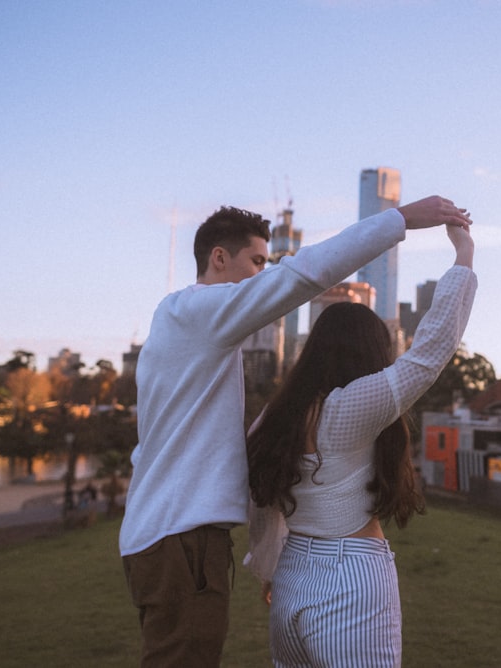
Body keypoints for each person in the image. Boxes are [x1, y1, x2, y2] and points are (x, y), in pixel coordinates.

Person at [119, 196, 471, 667]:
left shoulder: (204, 346)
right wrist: (405, 221)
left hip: (180, 541)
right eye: (258, 262)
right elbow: (304, 278)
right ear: (219, 258)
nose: (265, 275)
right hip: (189, 540)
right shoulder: (200, 313)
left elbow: (249, 489)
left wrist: (269, 565)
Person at [245, 223, 476, 667]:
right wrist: (463, 254)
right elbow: (432, 351)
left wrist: (270, 568)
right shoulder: (348, 410)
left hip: (290, 576)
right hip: (349, 578)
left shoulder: (277, 417)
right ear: (370, 353)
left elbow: (262, 504)